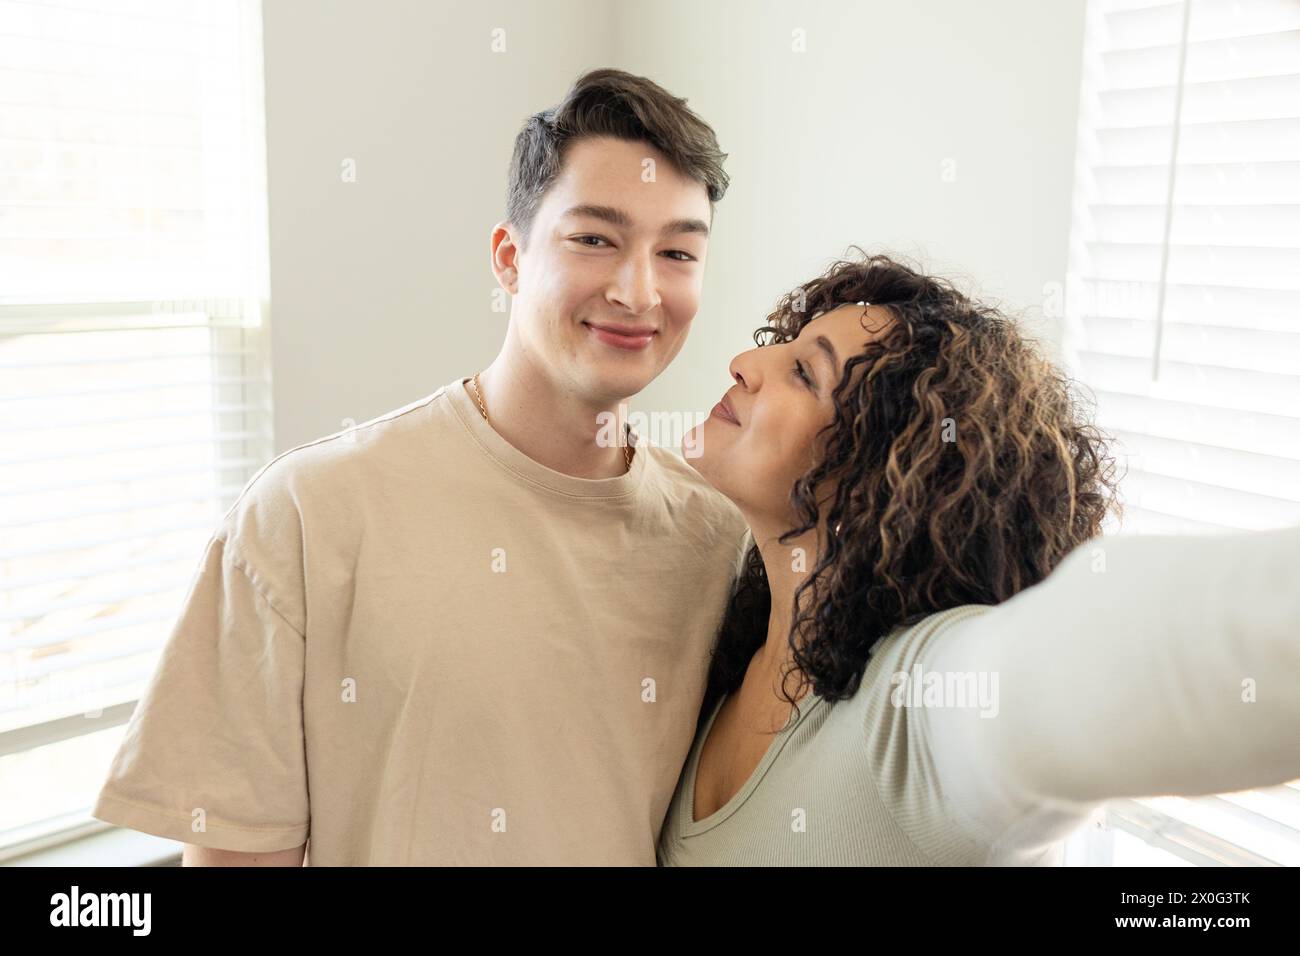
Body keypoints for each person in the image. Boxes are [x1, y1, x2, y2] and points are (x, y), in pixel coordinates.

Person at [91, 68, 750, 866]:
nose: (638, 290)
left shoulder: (718, 538)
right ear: (509, 258)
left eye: (677, 251)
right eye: (594, 239)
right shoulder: (308, 514)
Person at [657, 251, 1300, 865]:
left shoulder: (919, 706)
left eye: (804, 374)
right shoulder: (722, 645)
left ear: (890, 473)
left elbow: (1133, 656)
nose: (745, 362)